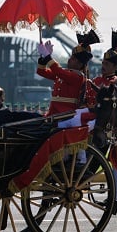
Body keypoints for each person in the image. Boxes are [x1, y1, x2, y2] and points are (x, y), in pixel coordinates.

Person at [37, 30, 99, 163]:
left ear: (80, 64)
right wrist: (43, 57)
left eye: (74, 59)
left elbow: (58, 71)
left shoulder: (77, 77)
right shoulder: (65, 73)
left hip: (65, 116)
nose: (70, 59)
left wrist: (48, 57)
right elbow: (41, 71)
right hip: (54, 115)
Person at [89, 29, 117, 214]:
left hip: (108, 128)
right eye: (103, 62)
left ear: (114, 66)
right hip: (95, 119)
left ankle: (116, 199)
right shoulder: (97, 79)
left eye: (107, 63)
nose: (103, 66)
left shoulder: (116, 84)